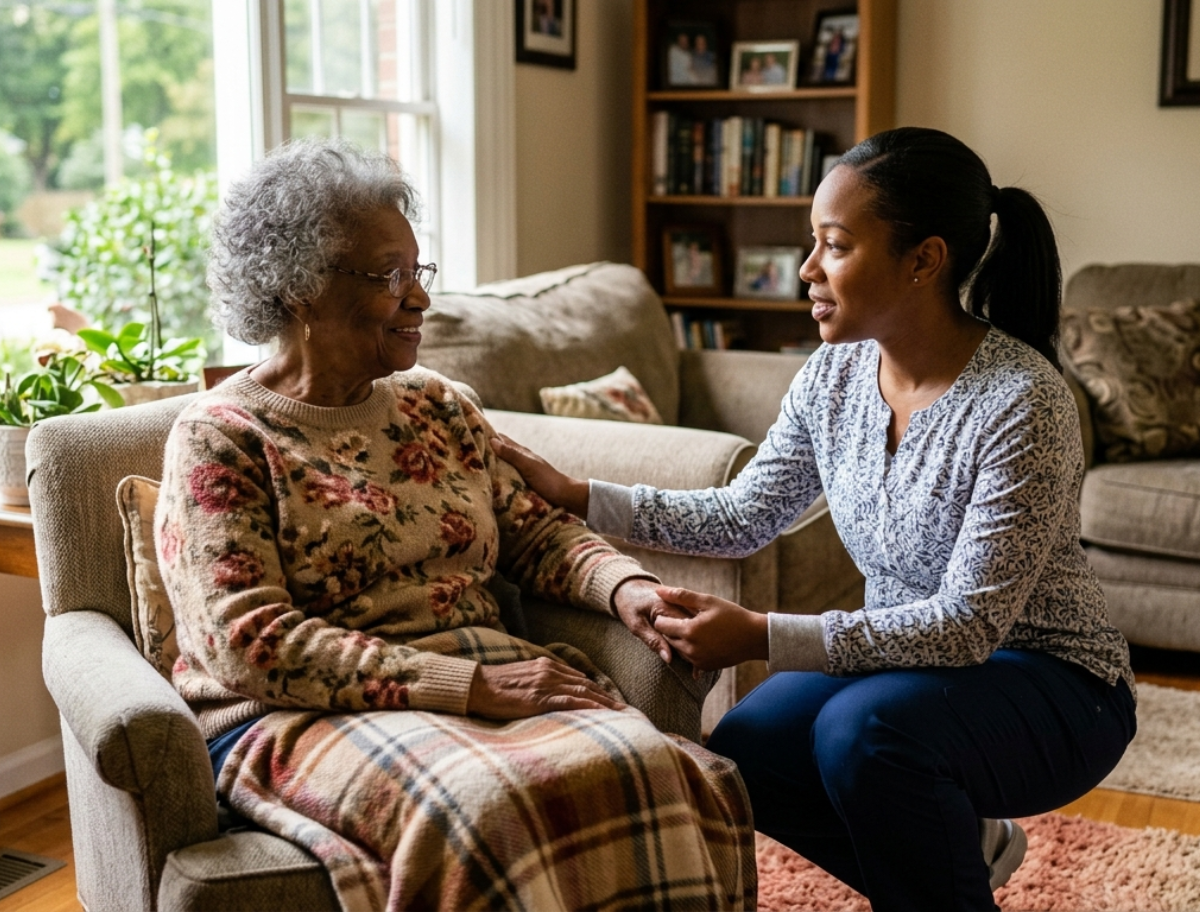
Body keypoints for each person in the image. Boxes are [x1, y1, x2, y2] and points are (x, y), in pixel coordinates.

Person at [493, 126, 1138, 912]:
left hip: (1054, 683)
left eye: (834, 246)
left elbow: (969, 628)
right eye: (813, 243)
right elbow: (744, 514)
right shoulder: (832, 375)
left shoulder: (1021, 403)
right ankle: (959, 861)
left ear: (924, 260)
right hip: (911, 667)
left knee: (862, 735)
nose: (806, 270)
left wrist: (763, 634)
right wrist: (580, 493)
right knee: (747, 752)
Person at [155, 137, 753, 910]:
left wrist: (625, 587)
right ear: (297, 288)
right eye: (389, 277)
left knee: (651, 766)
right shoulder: (223, 436)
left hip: (474, 667)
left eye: (418, 271)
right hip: (293, 713)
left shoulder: (435, 402)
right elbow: (249, 645)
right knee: (486, 810)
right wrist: (468, 687)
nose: (421, 299)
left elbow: (536, 530)